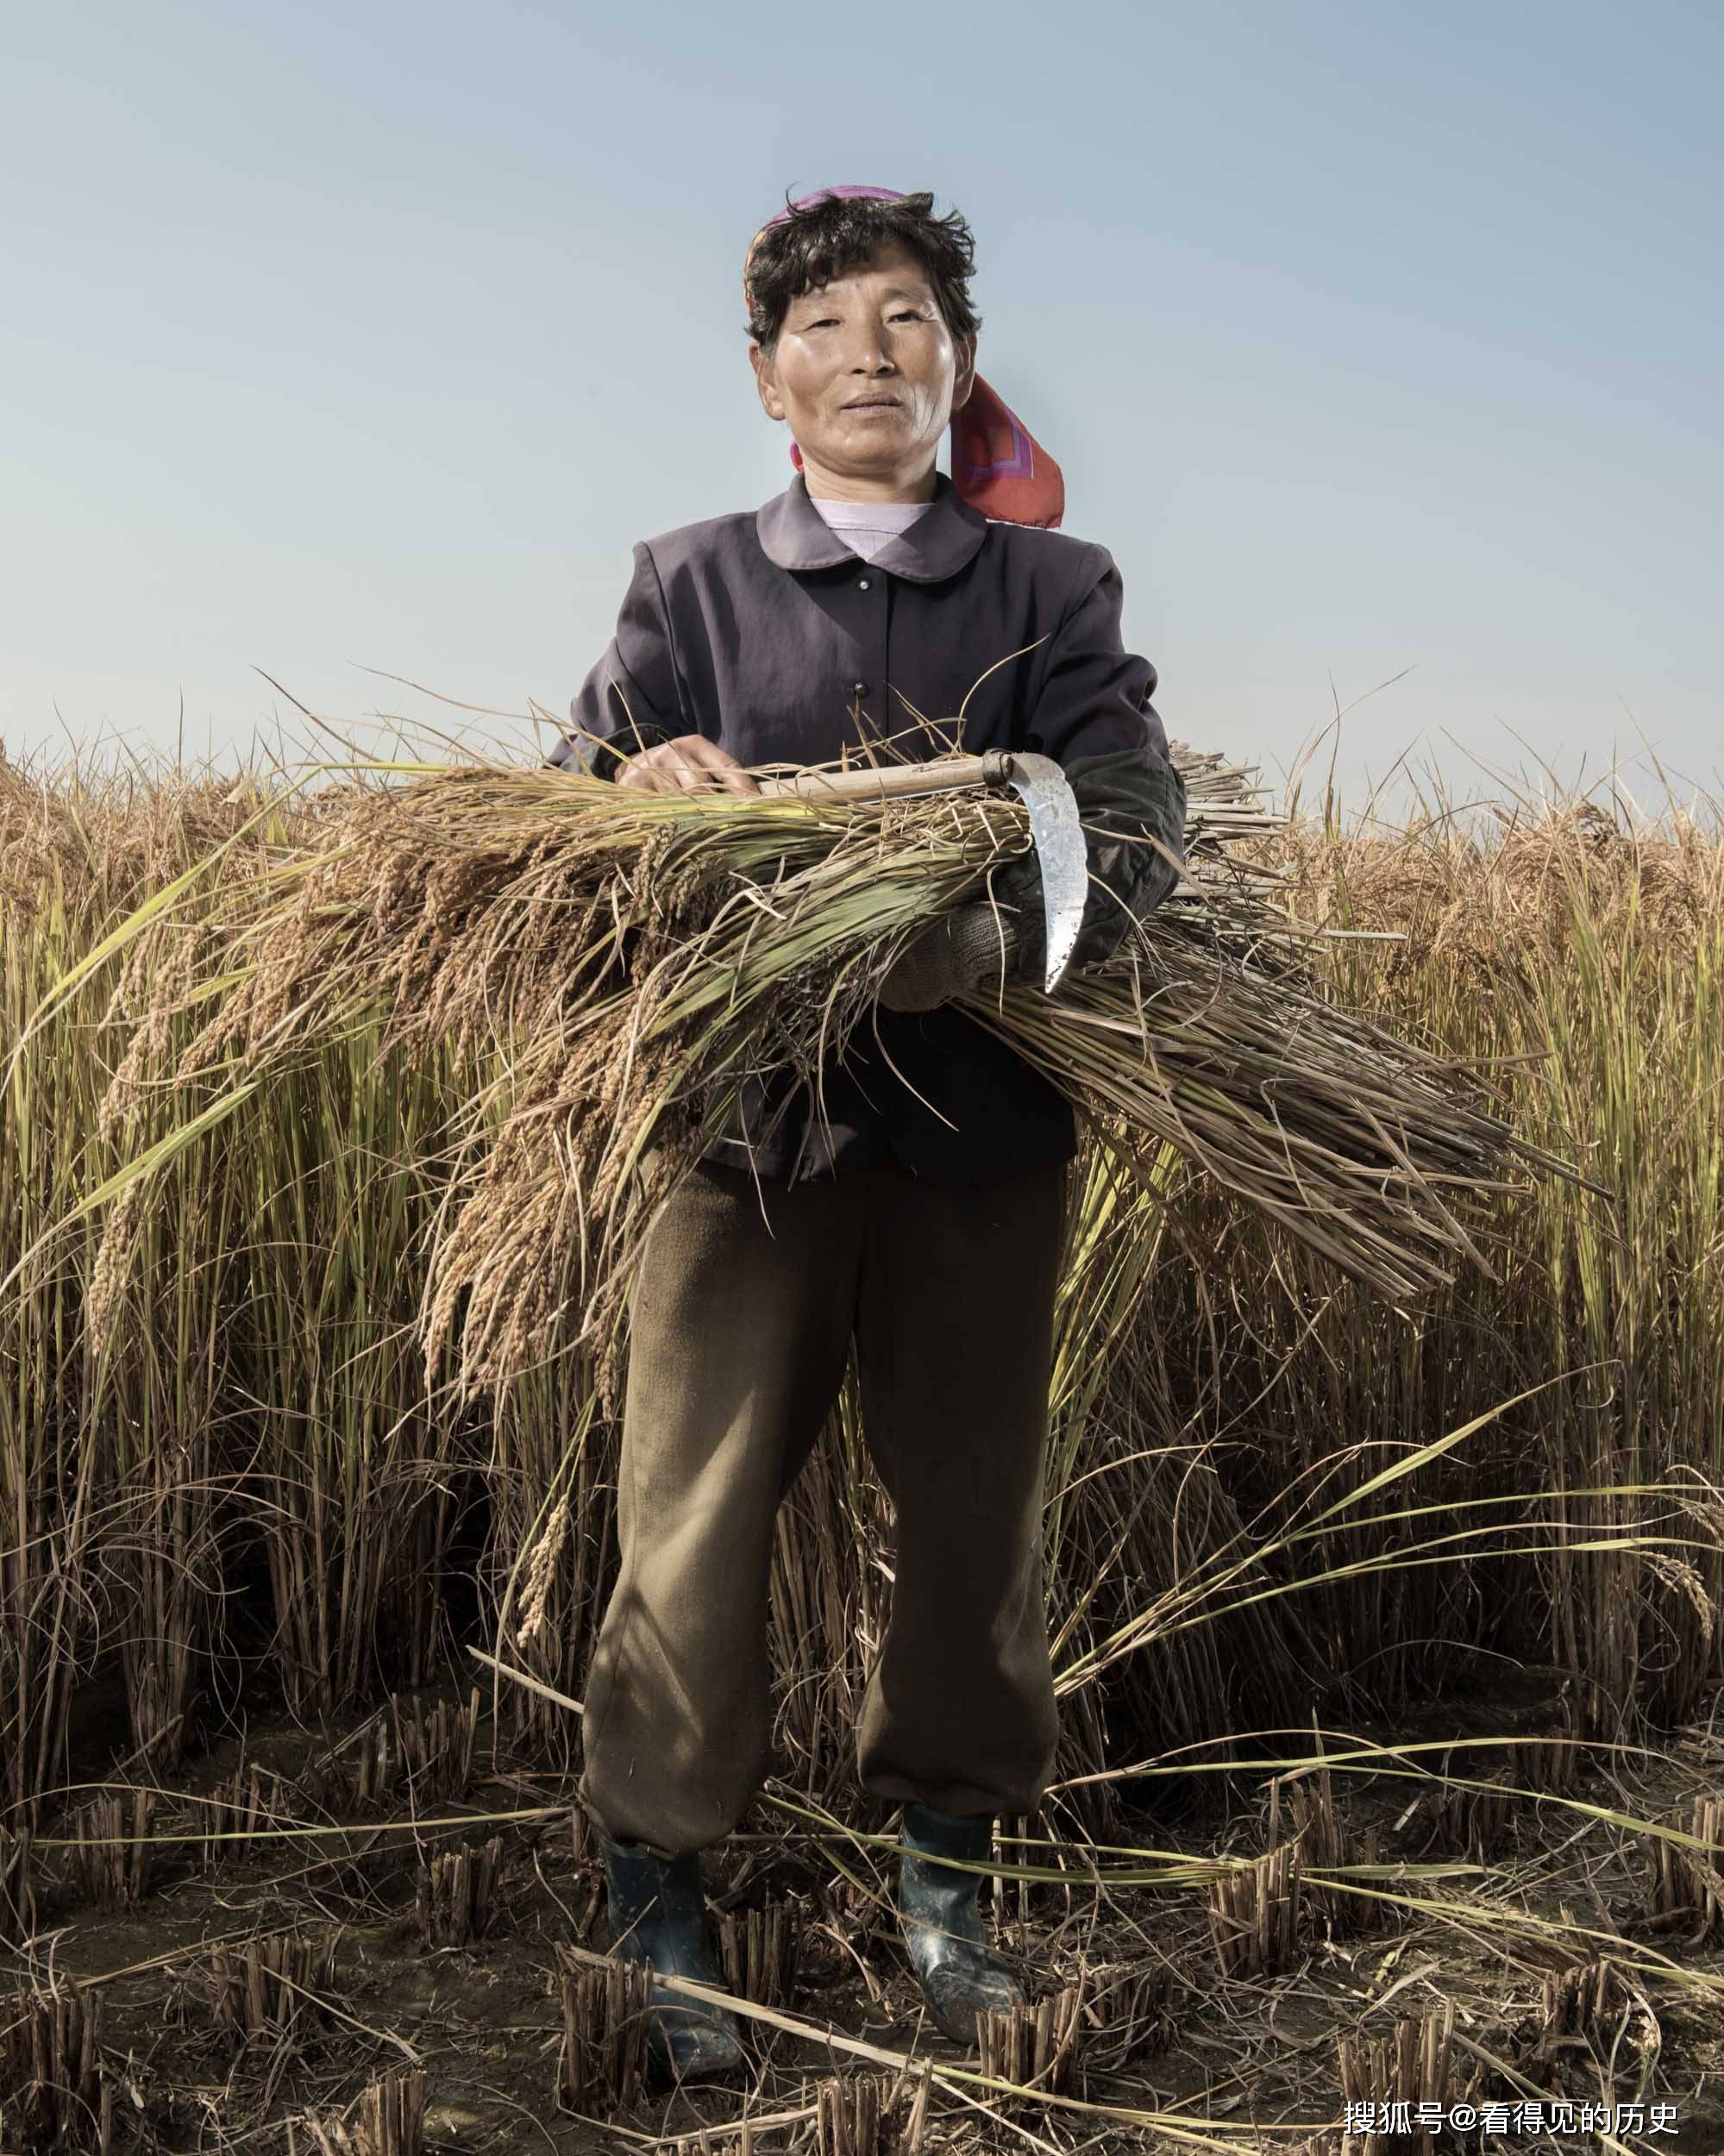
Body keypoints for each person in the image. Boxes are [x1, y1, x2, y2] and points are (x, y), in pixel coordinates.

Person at [547, 186, 1186, 2080]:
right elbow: (568, 812)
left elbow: (1135, 824)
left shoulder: (1049, 594)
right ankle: (659, 1881)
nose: (869, 356)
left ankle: (947, 1871)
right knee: (691, 1511)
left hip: (982, 1130)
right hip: (740, 1143)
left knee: (975, 1515)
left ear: (957, 362)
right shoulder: (688, 584)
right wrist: (631, 783)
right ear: (768, 381)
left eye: (906, 321)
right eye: (825, 330)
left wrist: (991, 942)